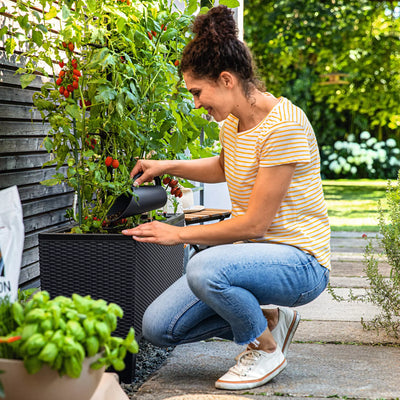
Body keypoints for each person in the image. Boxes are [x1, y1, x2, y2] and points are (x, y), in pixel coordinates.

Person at [122, 5, 330, 391]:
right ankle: (268, 318)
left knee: (203, 267)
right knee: (158, 326)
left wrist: (179, 234)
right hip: (249, 259)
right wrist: (167, 166)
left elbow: (254, 224)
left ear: (226, 79)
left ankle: (264, 347)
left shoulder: (284, 125)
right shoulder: (234, 123)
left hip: (300, 262)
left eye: (198, 92)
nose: (196, 103)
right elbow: (225, 167)